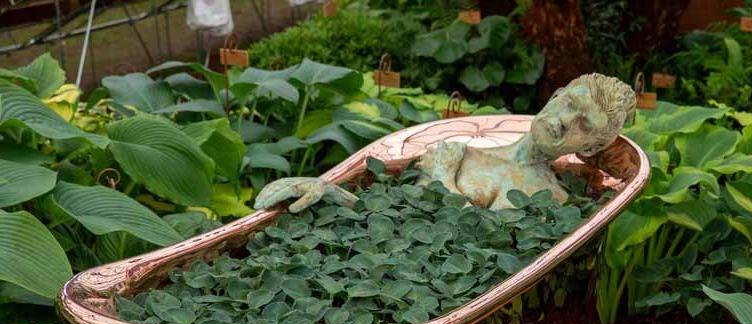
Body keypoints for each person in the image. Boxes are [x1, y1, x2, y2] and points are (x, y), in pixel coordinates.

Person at [253, 73, 635, 212]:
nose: (564, 121)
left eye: (583, 125)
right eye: (568, 104)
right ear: (554, 96)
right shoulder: (463, 148)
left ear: (588, 148)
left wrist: (440, 177)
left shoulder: (544, 195)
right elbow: (399, 220)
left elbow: (464, 249)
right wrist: (330, 192)